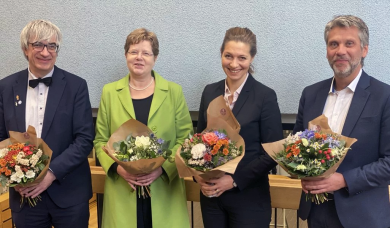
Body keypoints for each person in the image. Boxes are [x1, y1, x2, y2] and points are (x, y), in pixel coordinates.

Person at [294, 15, 390, 228]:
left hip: (363, 216)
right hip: (316, 212)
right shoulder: (310, 94)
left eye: (349, 43)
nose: (340, 51)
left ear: (364, 50)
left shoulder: (384, 96)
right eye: (333, 44)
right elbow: (294, 147)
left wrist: (344, 180)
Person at [94, 28, 192, 228]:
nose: (139, 58)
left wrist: (162, 169)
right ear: (125, 55)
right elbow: (100, 141)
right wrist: (119, 168)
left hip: (164, 188)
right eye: (133, 52)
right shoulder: (110, 92)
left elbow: (186, 140)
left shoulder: (174, 92)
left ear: (155, 58)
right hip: (123, 188)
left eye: (146, 53)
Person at [0, 20, 95, 228]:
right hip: (24, 196)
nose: (46, 52)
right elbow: (1, 139)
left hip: (69, 193)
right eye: (38, 45)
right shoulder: (5, 87)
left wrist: (51, 174)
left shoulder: (76, 86)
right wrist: (14, 177)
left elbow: (85, 139)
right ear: (25, 48)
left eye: (52, 46)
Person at [195, 27, 283, 228]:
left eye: (242, 58)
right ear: (221, 55)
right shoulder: (209, 92)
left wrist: (233, 180)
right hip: (212, 198)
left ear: (252, 58)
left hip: (249, 197)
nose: (234, 64)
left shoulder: (265, 96)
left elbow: (273, 153)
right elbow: (197, 142)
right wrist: (198, 176)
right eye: (228, 56)